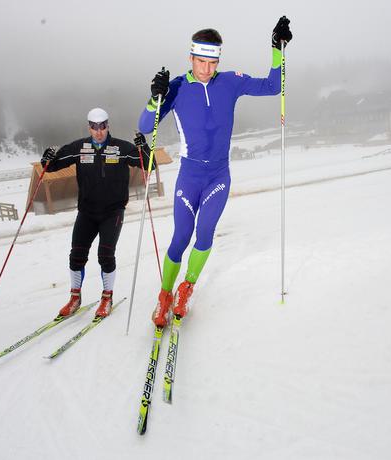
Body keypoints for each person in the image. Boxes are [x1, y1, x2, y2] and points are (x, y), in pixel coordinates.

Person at [139, 17, 293, 327]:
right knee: (181, 236)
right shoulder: (177, 88)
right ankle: (165, 294)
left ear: (218, 60)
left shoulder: (230, 82)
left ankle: (186, 288)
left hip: (218, 177)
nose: (207, 69)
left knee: (205, 233)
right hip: (189, 177)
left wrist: (277, 48)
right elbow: (145, 127)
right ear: (191, 58)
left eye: (212, 62)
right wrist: (155, 96)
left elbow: (274, 86)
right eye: (201, 62)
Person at [41, 108, 154, 318]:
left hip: (113, 212)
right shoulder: (79, 148)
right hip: (87, 212)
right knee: (76, 255)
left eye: (102, 126)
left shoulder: (121, 147)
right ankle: (75, 297)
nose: (99, 131)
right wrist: (46, 159)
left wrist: (143, 147)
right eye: (94, 127)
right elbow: (50, 167)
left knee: (105, 255)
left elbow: (150, 164)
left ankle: (106, 297)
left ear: (108, 125)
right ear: (89, 127)